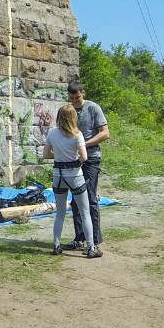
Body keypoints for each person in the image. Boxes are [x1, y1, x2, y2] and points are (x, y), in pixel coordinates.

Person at [43, 103, 101, 258]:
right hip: (75, 176)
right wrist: (73, 156)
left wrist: (60, 155)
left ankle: (56, 244)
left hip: (58, 175)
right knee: (85, 212)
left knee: (60, 214)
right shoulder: (77, 134)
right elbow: (84, 157)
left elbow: (46, 154)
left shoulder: (52, 134)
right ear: (73, 117)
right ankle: (91, 247)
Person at [66, 81, 108, 250]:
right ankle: (80, 237)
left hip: (91, 159)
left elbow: (105, 133)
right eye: (72, 98)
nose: (75, 101)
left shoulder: (93, 108)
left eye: (77, 97)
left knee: (90, 198)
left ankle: (95, 240)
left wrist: (84, 145)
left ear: (83, 93)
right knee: (76, 200)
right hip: (73, 159)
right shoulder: (68, 111)